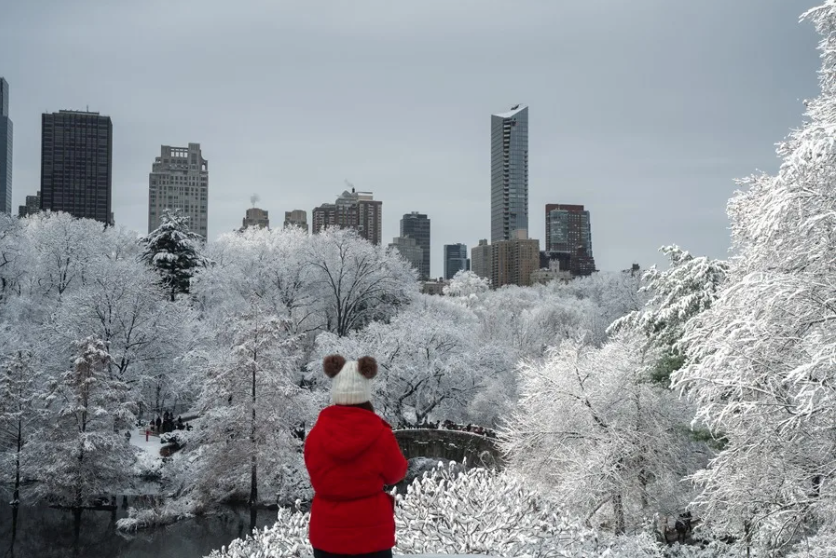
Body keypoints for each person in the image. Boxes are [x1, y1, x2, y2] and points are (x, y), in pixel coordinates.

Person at [304, 354, 408, 558]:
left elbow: (314, 472)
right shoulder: (381, 436)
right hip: (372, 536)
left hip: (327, 535)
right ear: (365, 394)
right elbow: (397, 473)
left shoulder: (316, 436)